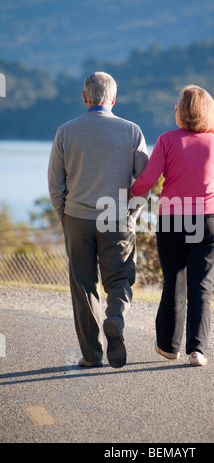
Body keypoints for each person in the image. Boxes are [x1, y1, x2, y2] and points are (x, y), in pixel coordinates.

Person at [48, 72, 148, 368]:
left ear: (84, 97)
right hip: (116, 218)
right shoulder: (132, 131)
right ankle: (115, 317)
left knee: (83, 285)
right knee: (120, 279)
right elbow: (144, 181)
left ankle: (92, 355)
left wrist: (65, 217)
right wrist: (131, 214)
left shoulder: (65, 131)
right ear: (113, 99)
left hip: (77, 217)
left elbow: (56, 184)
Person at [130, 85, 214, 366]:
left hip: (173, 219)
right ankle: (197, 351)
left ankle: (167, 347)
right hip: (209, 219)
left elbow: (148, 181)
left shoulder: (166, 140)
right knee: (201, 286)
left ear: (182, 111)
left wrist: (128, 192)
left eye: (177, 106)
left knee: (174, 282)